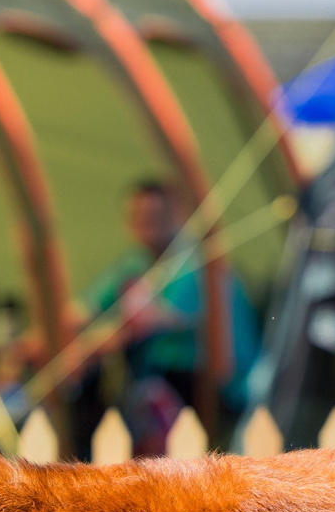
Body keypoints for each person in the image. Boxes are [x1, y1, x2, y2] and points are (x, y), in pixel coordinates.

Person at [69, 179, 260, 456]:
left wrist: (81, 351)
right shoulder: (136, 263)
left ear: (180, 216)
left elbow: (143, 325)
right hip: (173, 386)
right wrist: (36, 343)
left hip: (219, 392)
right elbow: (82, 311)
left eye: (156, 216)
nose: (147, 224)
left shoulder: (197, 262)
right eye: (139, 217)